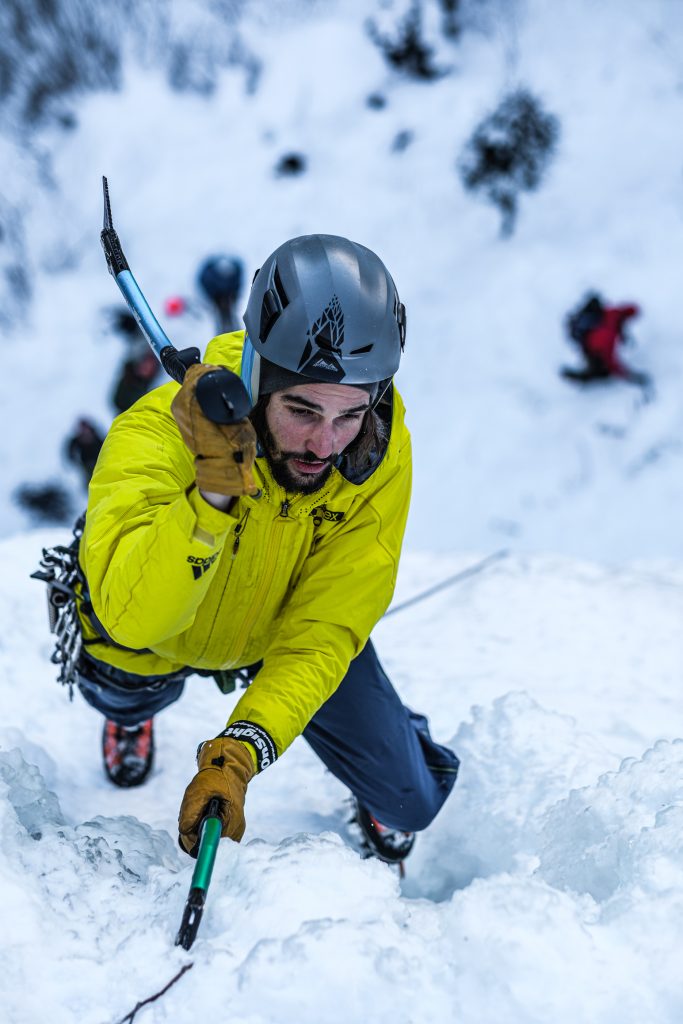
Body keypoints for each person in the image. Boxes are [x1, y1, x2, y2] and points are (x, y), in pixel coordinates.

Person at [74, 234, 459, 868]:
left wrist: (240, 752)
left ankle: (392, 755)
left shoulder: (380, 454)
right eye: (302, 409)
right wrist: (212, 499)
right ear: (255, 376)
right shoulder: (156, 429)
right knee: (121, 677)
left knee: (411, 798)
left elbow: (324, 629)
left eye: (350, 415)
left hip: (280, 625)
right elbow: (133, 617)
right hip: (156, 626)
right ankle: (131, 711)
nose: (324, 444)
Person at [561, 293, 650, 387]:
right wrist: (629, 376)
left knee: (601, 364)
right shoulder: (607, 335)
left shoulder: (612, 315)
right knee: (602, 371)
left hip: (593, 345)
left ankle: (589, 371)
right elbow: (611, 363)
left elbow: (630, 310)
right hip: (593, 349)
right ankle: (587, 374)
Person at [196, 254, 244, 333]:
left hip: (227, 296)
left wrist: (234, 297)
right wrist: (215, 299)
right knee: (220, 318)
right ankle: (222, 335)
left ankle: (238, 334)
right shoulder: (208, 278)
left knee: (231, 317)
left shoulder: (235, 274)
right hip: (217, 297)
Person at [64, 417, 105, 486]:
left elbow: (104, 444)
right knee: (89, 480)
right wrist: (72, 460)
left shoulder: (95, 434)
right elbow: (70, 451)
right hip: (86, 463)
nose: (85, 431)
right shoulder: (76, 439)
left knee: (102, 477)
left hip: (99, 461)